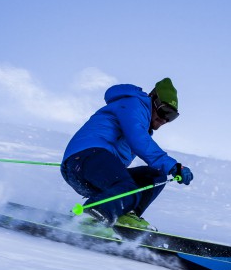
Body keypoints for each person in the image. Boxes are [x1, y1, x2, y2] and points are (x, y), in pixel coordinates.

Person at [61, 78, 194, 233]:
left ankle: (124, 215)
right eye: (165, 111)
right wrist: (172, 166)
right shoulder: (134, 104)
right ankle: (91, 216)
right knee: (126, 187)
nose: (165, 119)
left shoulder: (143, 122)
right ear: (153, 99)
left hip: (96, 169)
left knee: (154, 177)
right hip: (84, 159)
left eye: (171, 117)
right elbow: (138, 139)